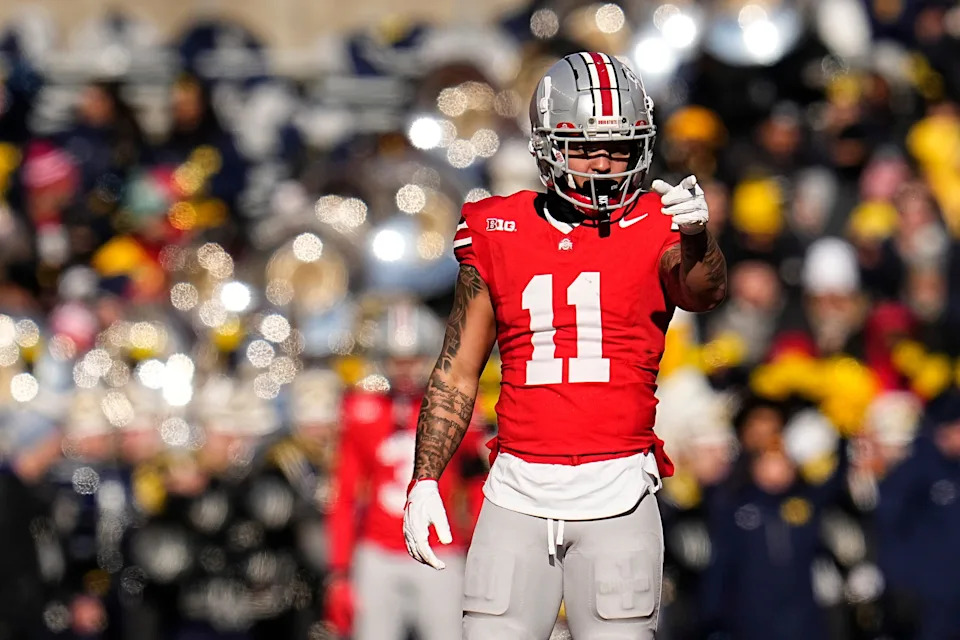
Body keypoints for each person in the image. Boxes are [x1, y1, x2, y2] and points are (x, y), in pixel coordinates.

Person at [402, 51, 727, 639]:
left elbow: (703, 292)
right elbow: (457, 367)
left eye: (618, 147)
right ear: (547, 145)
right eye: (584, 147)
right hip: (516, 491)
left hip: (619, 490)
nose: (602, 163)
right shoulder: (496, 225)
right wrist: (426, 476)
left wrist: (699, 237)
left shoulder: (661, 221)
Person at [325, 299, 486, 640]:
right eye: (396, 359)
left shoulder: (458, 408)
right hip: (378, 551)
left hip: (441, 549)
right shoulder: (361, 410)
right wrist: (339, 569)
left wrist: (479, 546)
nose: (404, 368)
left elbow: (478, 484)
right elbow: (344, 494)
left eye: (412, 358)